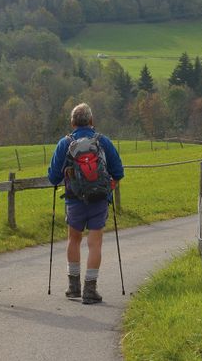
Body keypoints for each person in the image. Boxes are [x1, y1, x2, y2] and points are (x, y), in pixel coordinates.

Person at [47, 102, 124, 304]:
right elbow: (118, 171)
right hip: (99, 199)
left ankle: (73, 287)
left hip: (74, 199)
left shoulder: (65, 143)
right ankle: (90, 289)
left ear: (72, 123)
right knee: (95, 242)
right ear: (91, 121)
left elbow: (53, 177)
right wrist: (109, 187)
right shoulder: (103, 141)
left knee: (74, 239)